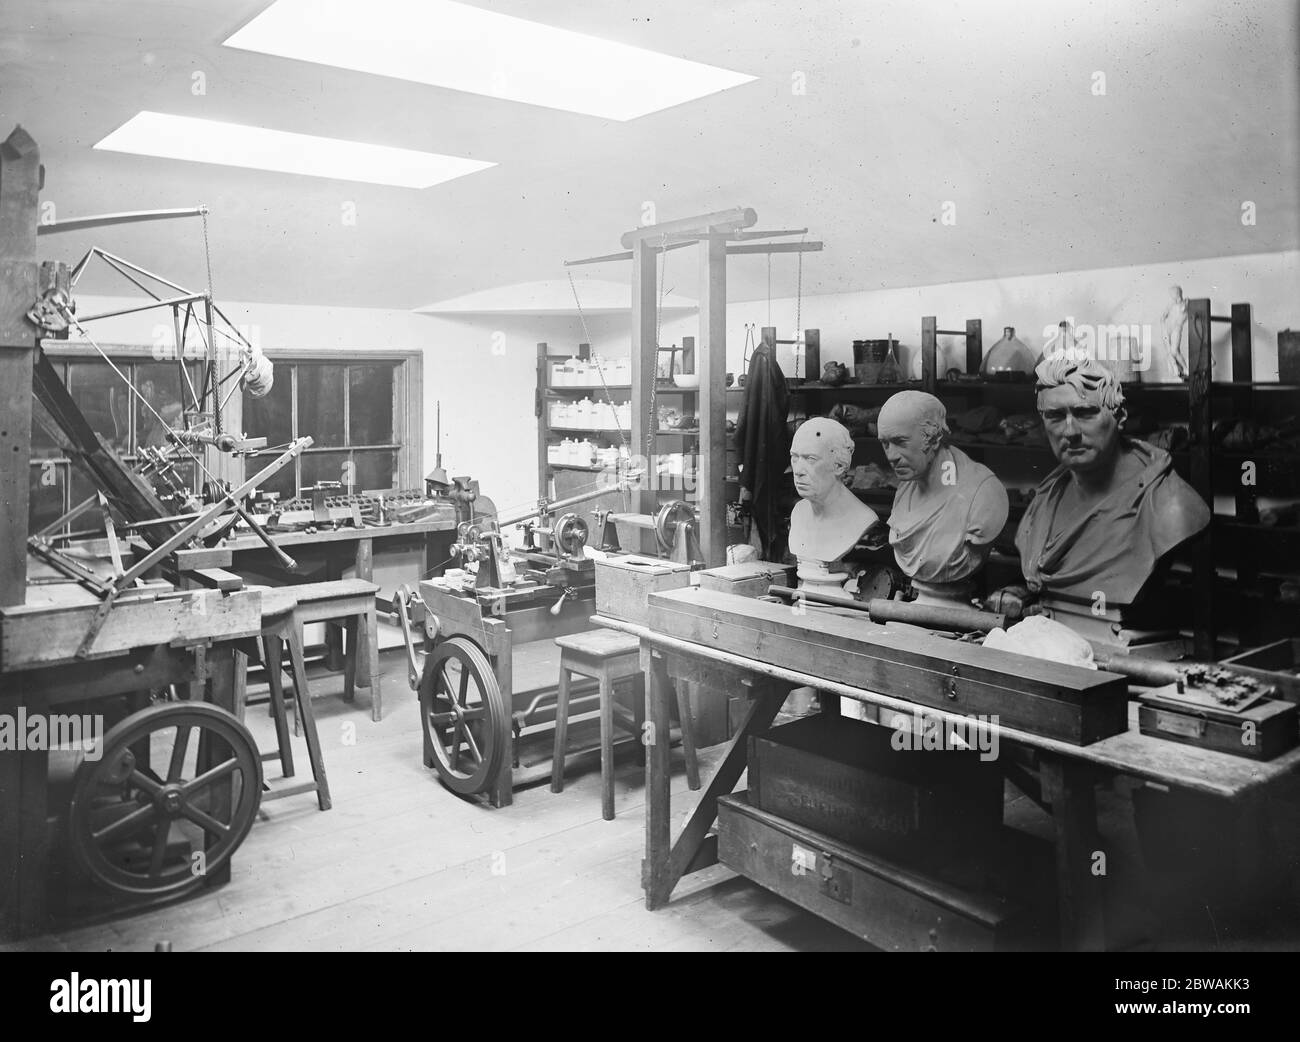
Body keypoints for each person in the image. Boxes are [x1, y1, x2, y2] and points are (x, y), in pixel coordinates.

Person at [1010, 354, 1210, 637]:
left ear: (1120, 417)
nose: (1070, 431)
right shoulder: (1044, 500)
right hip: (1056, 635)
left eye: (1085, 413)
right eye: (1055, 416)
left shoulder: (1170, 504)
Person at [878, 391, 1008, 606]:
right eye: (885, 444)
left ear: (934, 437)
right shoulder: (905, 489)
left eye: (900, 442)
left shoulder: (983, 492)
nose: (891, 456)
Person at [787, 417, 878, 596]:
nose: (798, 470)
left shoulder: (862, 519)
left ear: (838, 466)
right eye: (794, 457)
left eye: (810, 459)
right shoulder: (799, 512)